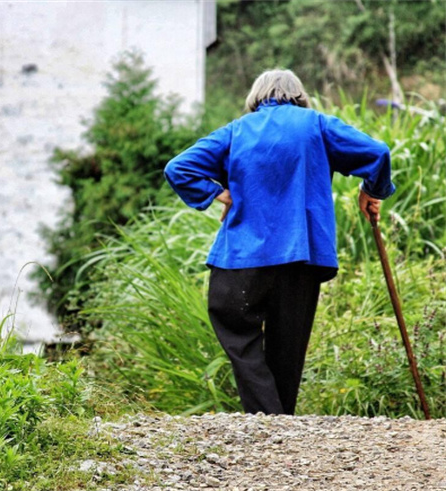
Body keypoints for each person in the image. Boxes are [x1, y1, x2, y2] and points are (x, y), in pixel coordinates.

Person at [163, 69, 395, 415]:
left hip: (241, 260)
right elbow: (378, 153)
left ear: (256, 99)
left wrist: (217, 193)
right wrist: (371, 191)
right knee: (288, 346)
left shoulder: (236, 130)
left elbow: (179, 168)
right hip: (301, 258)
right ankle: (279, 425)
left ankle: (268, 423)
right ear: (299, 96)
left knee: (235, 328)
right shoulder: (317, 125)